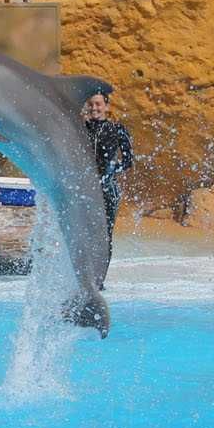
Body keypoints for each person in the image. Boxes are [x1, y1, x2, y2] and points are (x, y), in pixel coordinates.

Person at [82, 91, 133, 287]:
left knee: (104, 235)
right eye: (91, 104)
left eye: (98, 104)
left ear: (106, 106)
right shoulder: (82, 128)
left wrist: (113, 169)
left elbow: (128, 161)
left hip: (107, 189)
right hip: (86, 189)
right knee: (85, 232)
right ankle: (85, 277)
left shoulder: (117, 129)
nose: (94, 108)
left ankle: (99, 280)